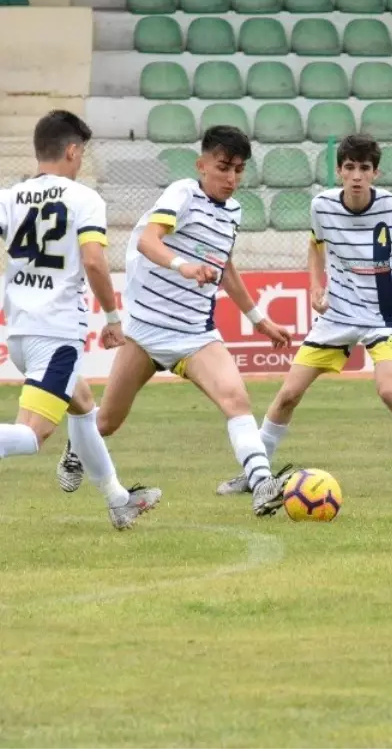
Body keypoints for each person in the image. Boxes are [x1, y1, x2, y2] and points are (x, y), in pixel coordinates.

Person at [55, 125, 294, 517]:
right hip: (147, 333)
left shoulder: (233, 212)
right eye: (223, 167)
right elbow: (150, 240)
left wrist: (259, 320)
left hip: (196, 335)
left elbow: (225, 267)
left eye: (238, 169)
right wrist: (182, 265)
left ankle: (262, 484)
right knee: (109, 421)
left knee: (236, 399)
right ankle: (76, 446)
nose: (231, 178)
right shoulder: (183, 193)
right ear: (202, 165)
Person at [215, 134, 392, 496]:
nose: (356, 175)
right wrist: (315, 286)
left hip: (382, 317)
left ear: (375, 173)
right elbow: (315, 244)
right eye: (349, 168)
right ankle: (256, 476)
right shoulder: (322, 206)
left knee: (389, 390)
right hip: (336, 317)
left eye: (364, 168)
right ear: (339, 171)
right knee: (287, 396)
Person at [0, 109, 161, 529]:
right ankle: (118, 500)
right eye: (82, 153)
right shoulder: (84, 199)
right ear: (72, 150)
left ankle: (118, 500)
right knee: (33, 436)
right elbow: (94, 260)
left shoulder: (9, 196)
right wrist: (111, 317)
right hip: (56, 335)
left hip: (19, 332)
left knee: (83, 405)